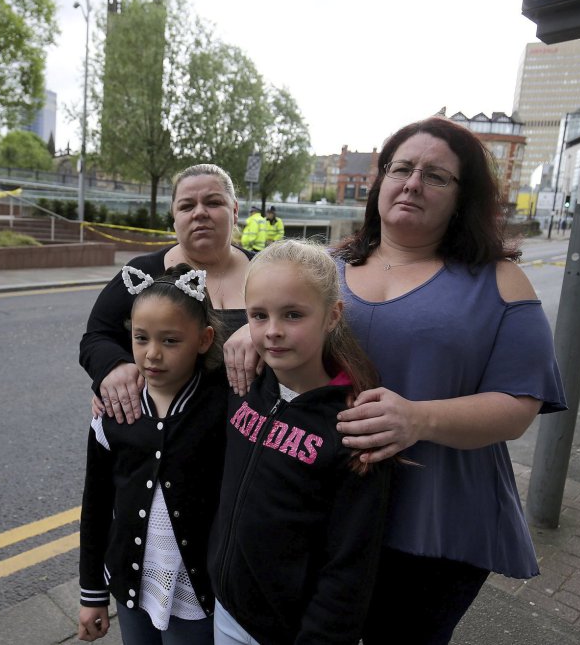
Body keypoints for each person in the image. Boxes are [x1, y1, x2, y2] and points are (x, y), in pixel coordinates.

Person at [224, 116, 566, 644]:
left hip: (435, 524)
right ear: (380, 181)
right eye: (400, 168)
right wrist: (251, 333)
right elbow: (272, 314)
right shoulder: (324, 266)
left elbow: (519, 406)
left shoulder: (501, 282)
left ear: (462, 195)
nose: (412, 183)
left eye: (436, 176)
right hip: (319, 511)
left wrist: (419, 419)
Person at [209, 239, 391, 645]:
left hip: (286, 631)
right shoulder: (247, 386)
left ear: (332, 316)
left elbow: (349, 566)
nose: (272, 332)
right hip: (227, 608)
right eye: (259, 315)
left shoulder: (353, 426)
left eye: (292, 315)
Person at [79, 264, 227, 644]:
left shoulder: (224, 405)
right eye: (141, 338)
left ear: (204, 339)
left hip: (197, 592)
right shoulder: (114, 409)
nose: (152, 355)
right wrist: (92, 592)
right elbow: (95, 505)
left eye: (171, 341)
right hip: (131, 587)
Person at [80, 163, 253, 425]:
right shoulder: (140, 273)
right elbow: (96, 336)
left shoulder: (267, 273)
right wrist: (113, 367)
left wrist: (261, 328)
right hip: (169, 442)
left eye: (213, 202)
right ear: (174, 217)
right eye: (186, 206)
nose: (200, 213)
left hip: (251, 440)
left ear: (235, 210)